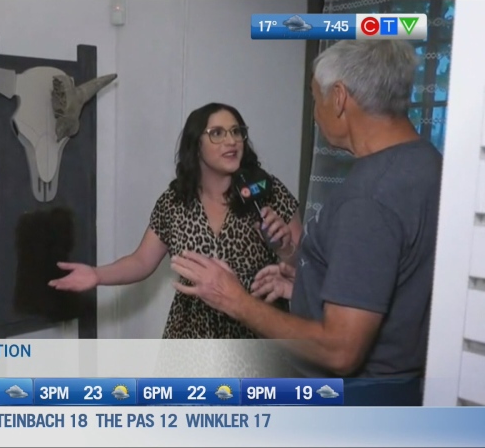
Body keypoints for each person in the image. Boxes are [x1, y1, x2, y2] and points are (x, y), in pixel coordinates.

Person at [170, 40, 442, 394]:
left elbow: (340, 349)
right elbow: (388, 279)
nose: (315, 114)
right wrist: (307, 289)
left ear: (339, 98)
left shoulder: (367, 199)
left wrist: (234, 299)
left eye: (316, 98)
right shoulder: (429, 165)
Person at [49, 102, 302, 338]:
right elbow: (141, 261)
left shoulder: (267, 191)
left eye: (236, 132)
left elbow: (306, 268)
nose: (231, 140)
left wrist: (286, 249)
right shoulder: (175, 200)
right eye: (217, 133)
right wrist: (97, 275)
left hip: (257, 333)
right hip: (190, 336)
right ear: (196, 145)